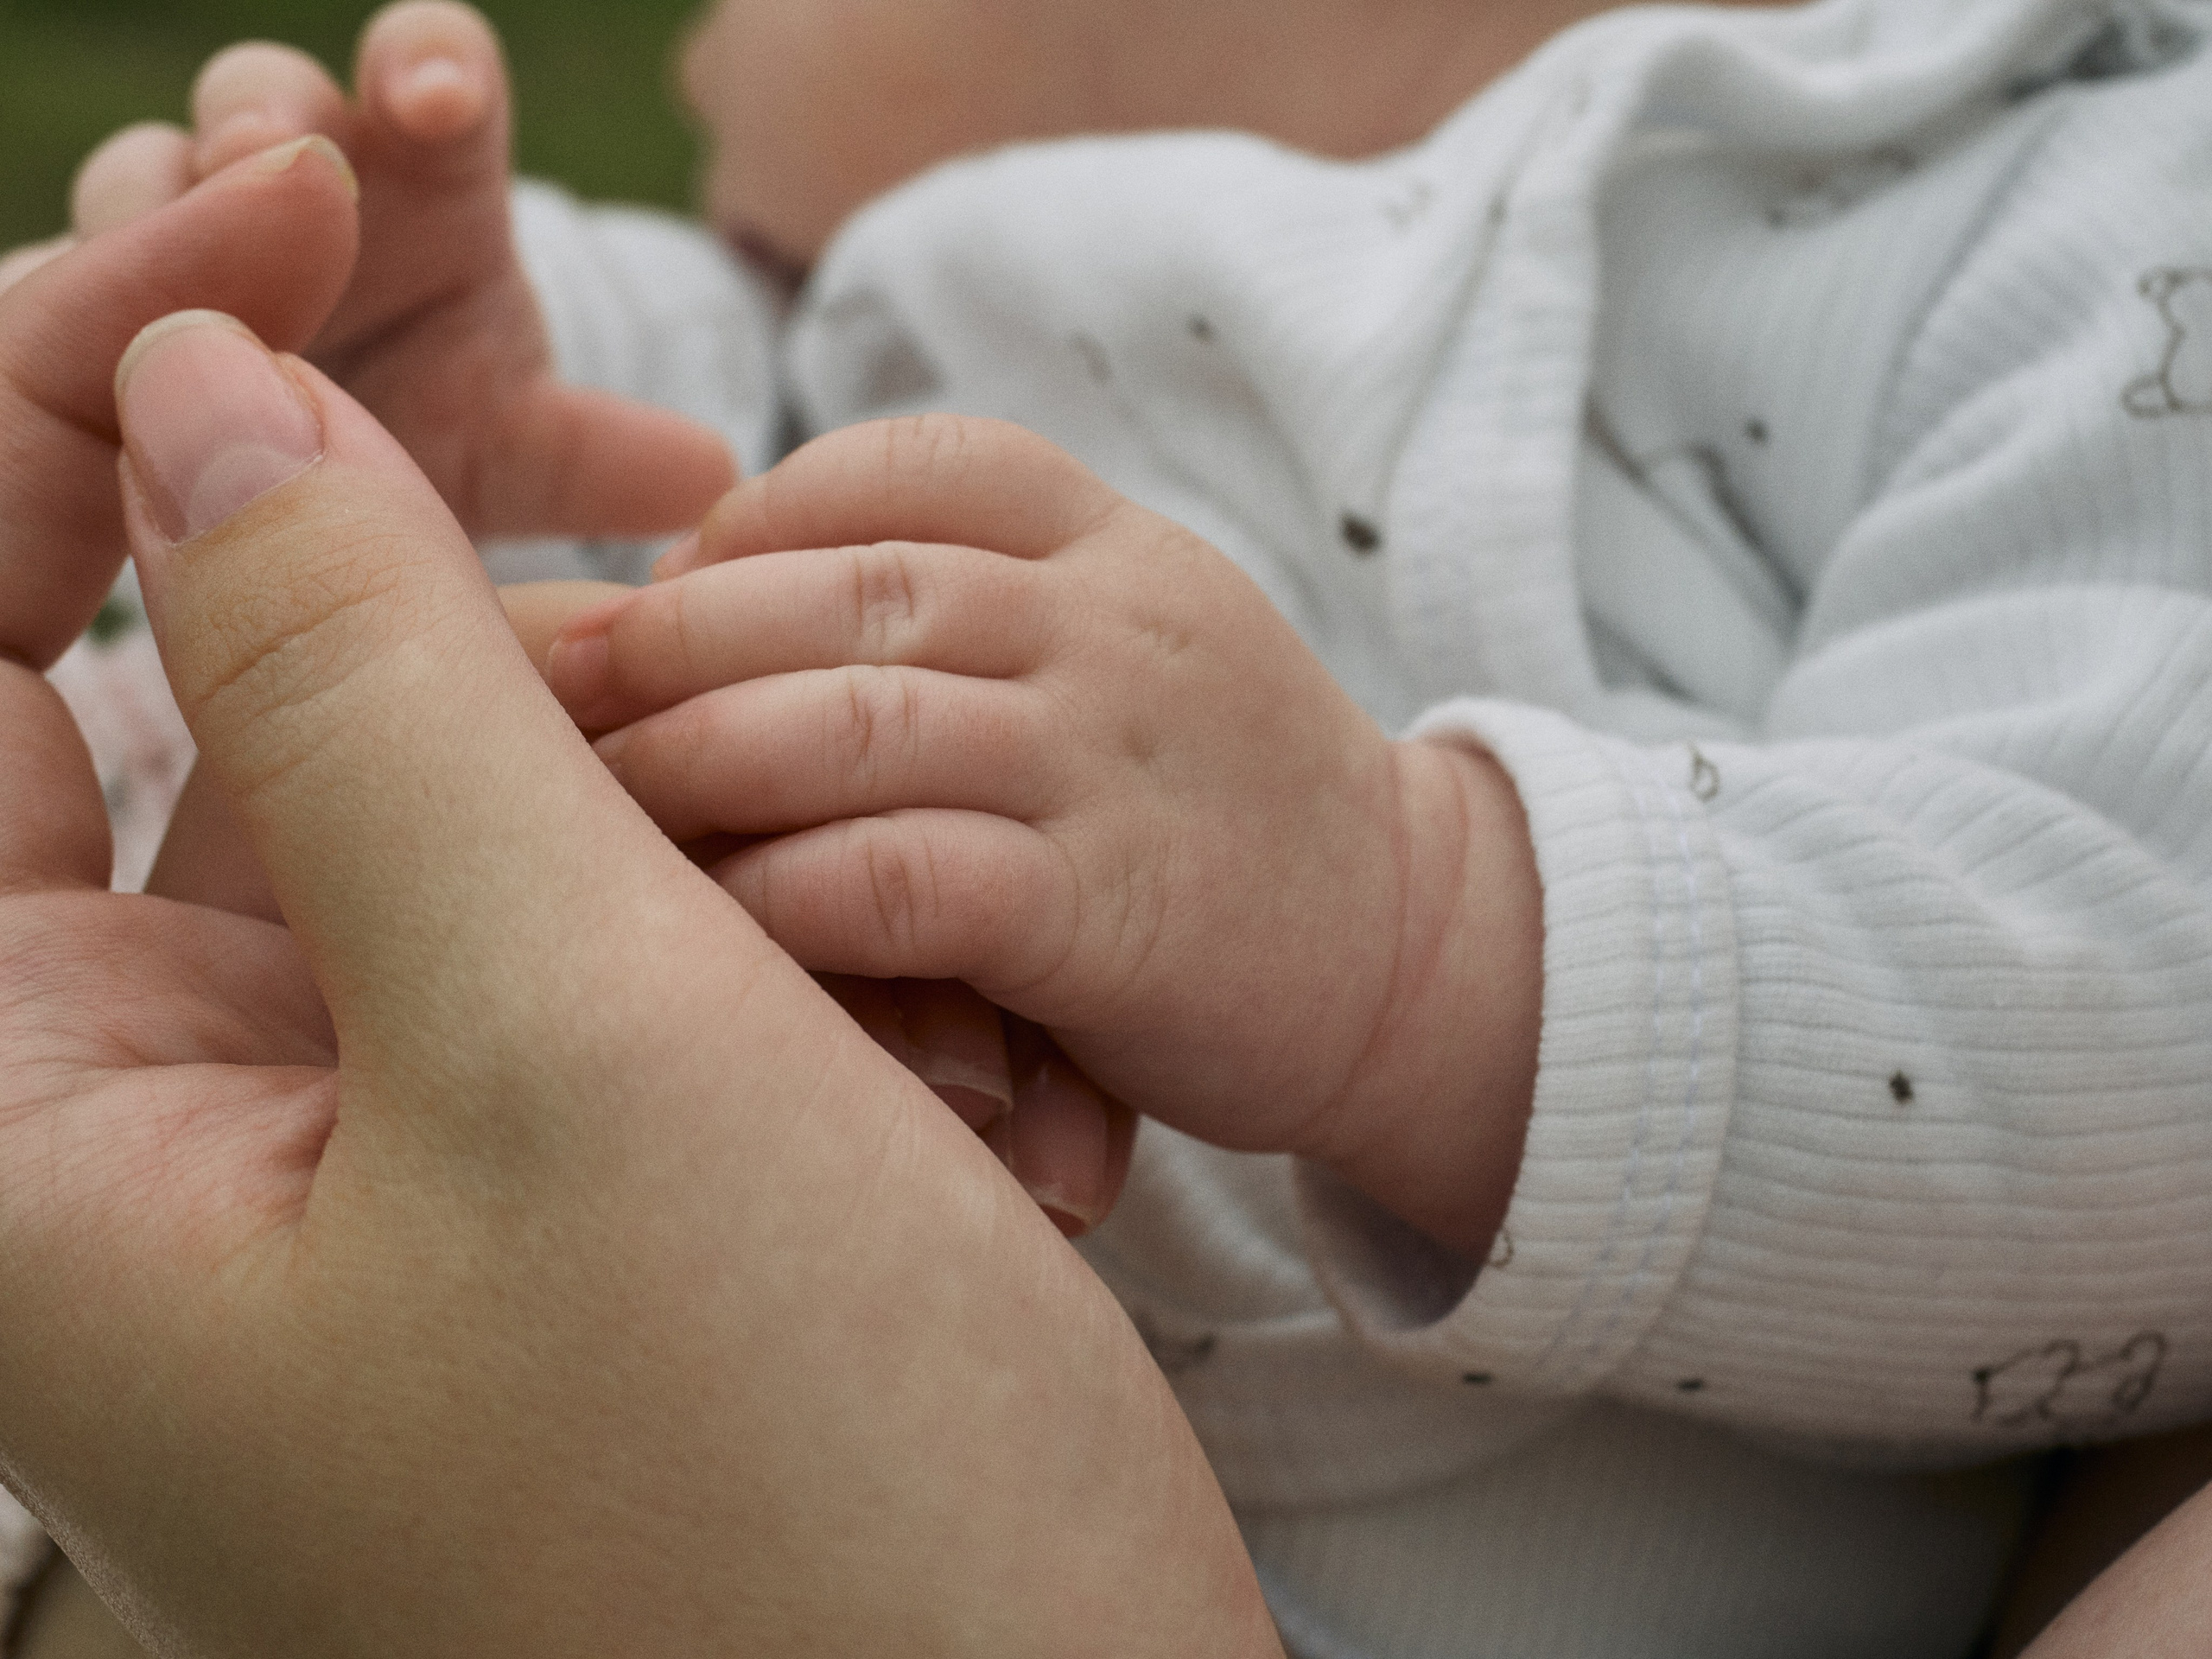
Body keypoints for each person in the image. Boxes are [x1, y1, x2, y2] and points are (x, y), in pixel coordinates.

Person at [9, 0, 2212, 1651]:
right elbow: (755, 452)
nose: (682, 56)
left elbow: (2145, 961)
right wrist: (444, 443)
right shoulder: (958, 290)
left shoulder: (2078, 207)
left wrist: (1421, 930)